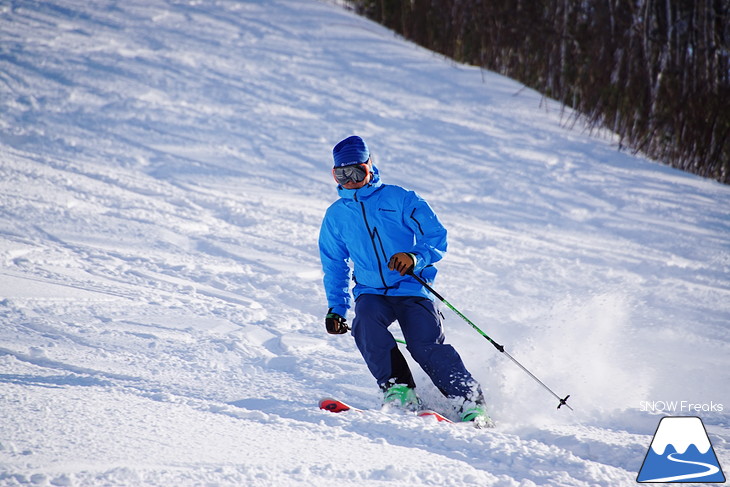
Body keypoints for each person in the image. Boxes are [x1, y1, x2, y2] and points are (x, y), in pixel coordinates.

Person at [318, 135, 491, 426]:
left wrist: (414, 257)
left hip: (411, 288)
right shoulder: (336, 216)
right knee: (365, 324)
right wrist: (336, 307)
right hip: (371, 292)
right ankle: (399, 390)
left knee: (424, 343)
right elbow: (334, 263)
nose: (350, 180)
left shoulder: (400, 198)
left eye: (357, 172)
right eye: (342, 174)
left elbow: (436, 236)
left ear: (370, 167)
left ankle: (469, 402)